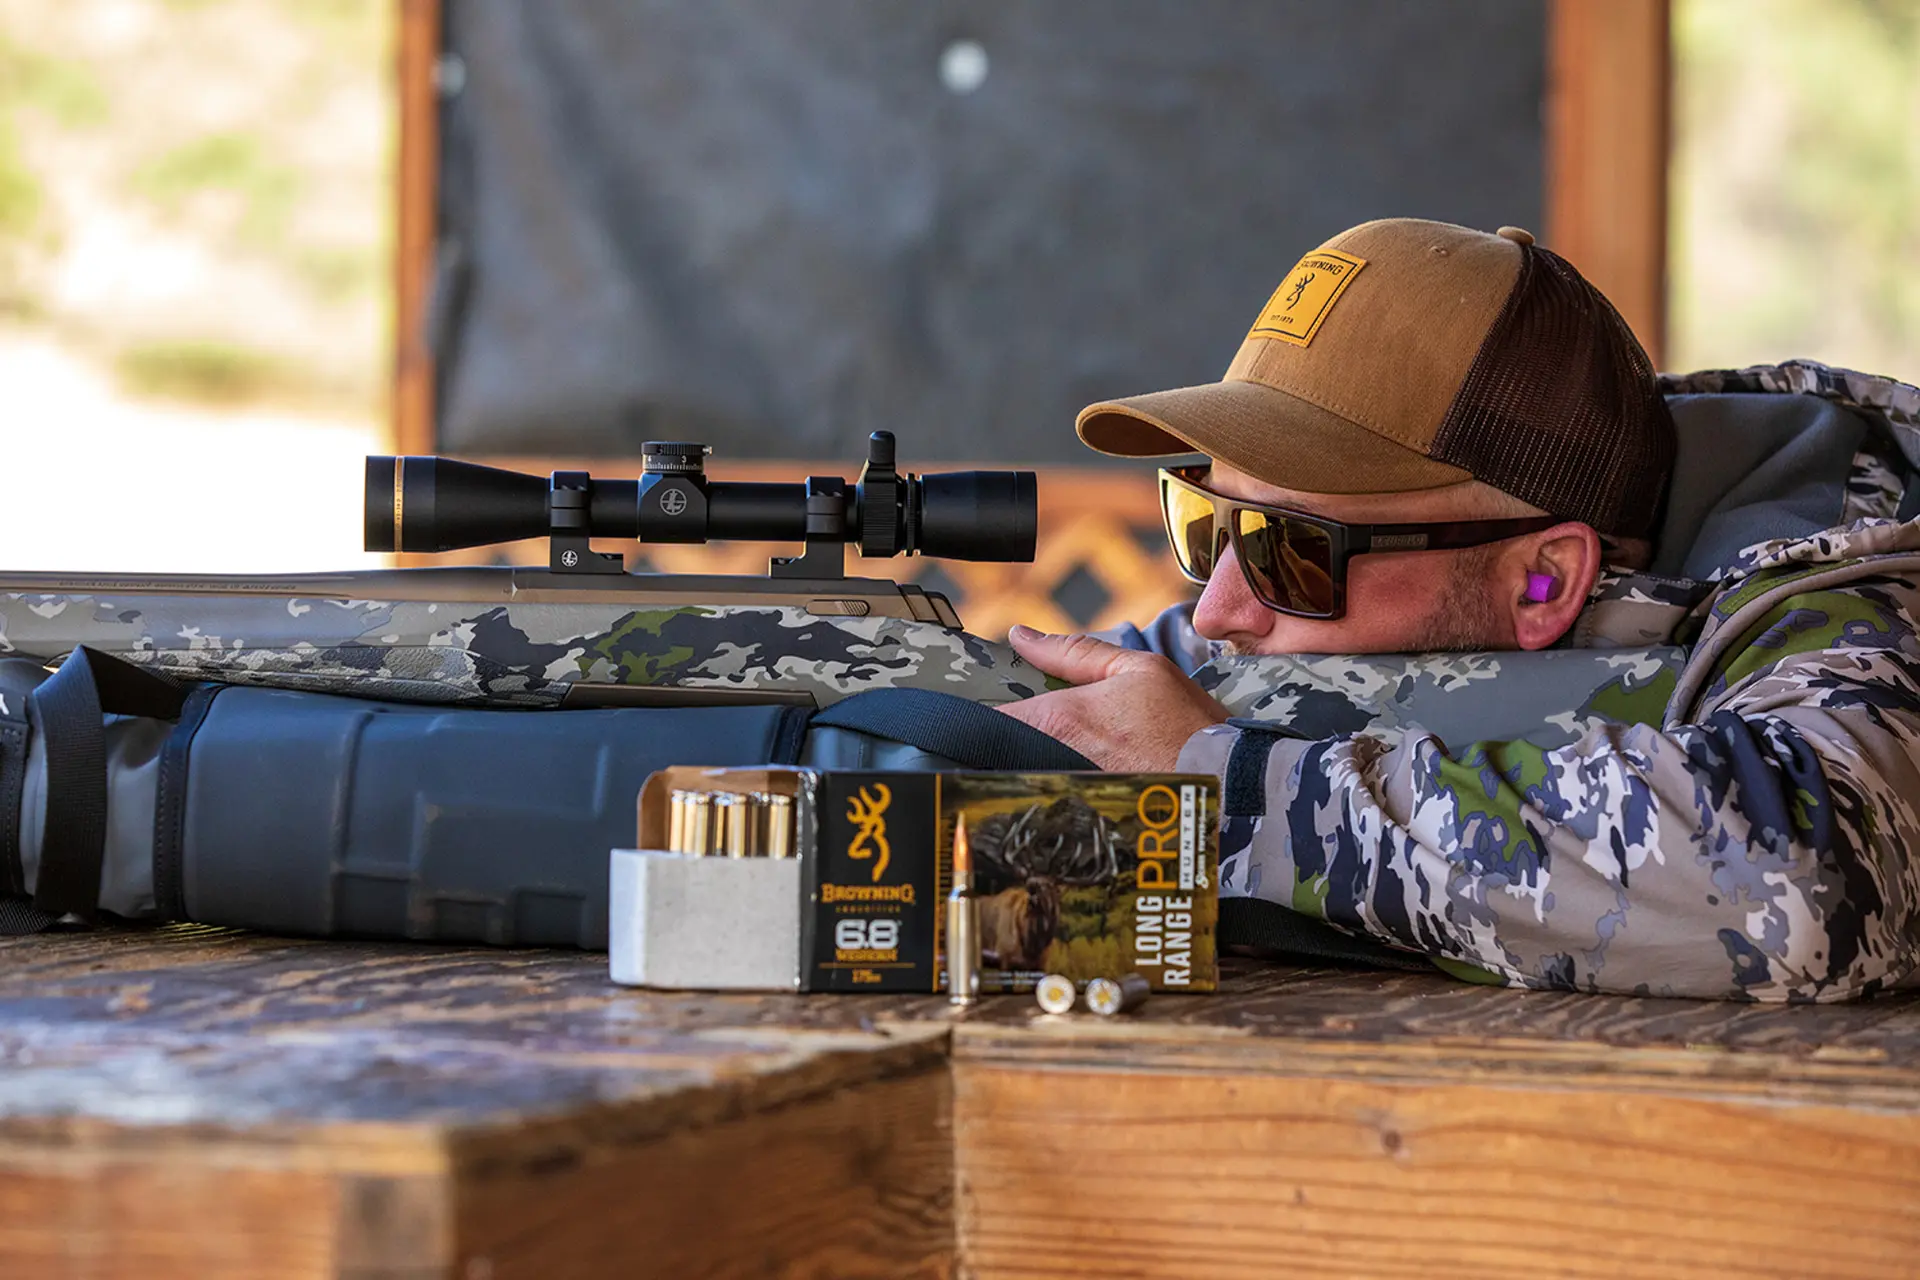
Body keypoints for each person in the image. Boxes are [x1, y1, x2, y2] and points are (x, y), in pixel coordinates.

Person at [999, 217, 1920, 1000]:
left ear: (1542, 583)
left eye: (1295, 548)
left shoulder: (1856, 596)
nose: (1218, 609)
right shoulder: (1292, 627)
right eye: (1209, 524)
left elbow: (1803, 880)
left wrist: (1236, 792)